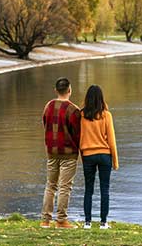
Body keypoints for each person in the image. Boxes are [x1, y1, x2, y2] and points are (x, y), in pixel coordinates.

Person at [40, 77, 81, 229]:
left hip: (51, 152)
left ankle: (45, 220)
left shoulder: (48, 106)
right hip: (68, 154)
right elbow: (77, 134)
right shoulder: (73, 110)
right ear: (69, 90)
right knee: (65, 187)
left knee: (50, 185)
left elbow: (45, 124)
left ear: (56, 90)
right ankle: (61, 221)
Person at [80, 85, 119, 230]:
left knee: (88, 189)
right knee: (105, 189)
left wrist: (81, 156)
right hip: (104, 155)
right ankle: (103, 223)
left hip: (88, 155)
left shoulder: (82, 115)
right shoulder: (106, 115)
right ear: (101, 98)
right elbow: (112, 141)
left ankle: (87, 222)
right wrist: (115, 161)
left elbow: (80, 138)